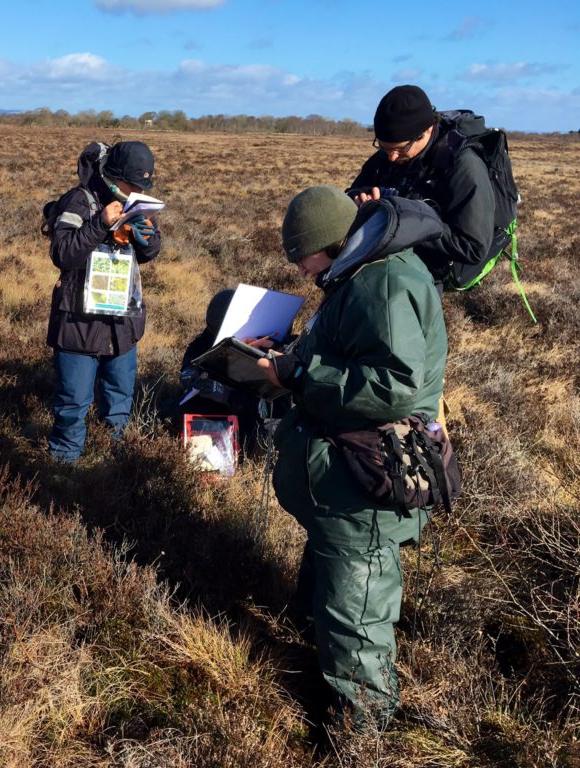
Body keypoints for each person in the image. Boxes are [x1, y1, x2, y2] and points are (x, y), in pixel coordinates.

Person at [257, 185, 448, 729]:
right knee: (337, 579)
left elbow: (395, 386)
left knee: (358, 603)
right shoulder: (361, 269)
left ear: (327, 243)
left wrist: (298, 374)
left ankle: (361, 727)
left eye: (302, 258)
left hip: (362, 479)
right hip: (343, 475)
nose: (299, 271)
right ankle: (316, 657)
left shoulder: (381, 282)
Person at [45, 141, 162, 462]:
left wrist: (148, 233)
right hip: (79, 324)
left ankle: (114, 467)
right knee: (72, 404)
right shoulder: (79, 200)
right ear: (113, 176)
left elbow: (150, 253)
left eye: (143, 185)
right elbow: (62, 254)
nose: (138, 189)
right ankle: (62, 471)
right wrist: (100, 224)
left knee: (120, 401)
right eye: (133, 183)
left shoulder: (137, 203)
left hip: (122, 324)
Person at [347, 84, 496, 286]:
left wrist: (402, 222)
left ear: (427, 130)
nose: (391, 157)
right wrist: (361, 201)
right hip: (374, 271)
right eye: (383, 147)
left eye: (400, 149)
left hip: (423, 280)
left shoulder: (463, 166)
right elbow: (349, 195)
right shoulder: (387, 154)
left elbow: (473, 246)